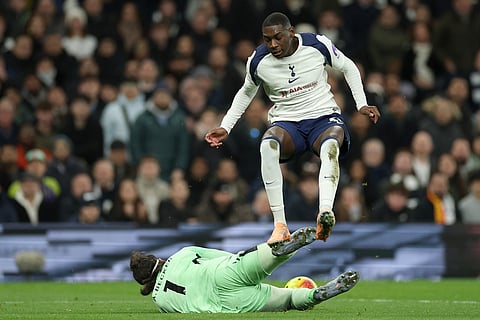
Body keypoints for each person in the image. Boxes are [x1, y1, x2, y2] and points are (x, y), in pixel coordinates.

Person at [205, 12, 380, 244]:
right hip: (287, 123)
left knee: (330, 146)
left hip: (323, 117)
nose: (273, 45)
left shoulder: (318, 44)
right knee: (267, 145)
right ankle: (280, 225)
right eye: (267, 40)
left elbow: (348, 67)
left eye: (278, 38)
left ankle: (325, 212)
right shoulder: (258, 61)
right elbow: (246, 92)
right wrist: (226, 126)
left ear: (291, 32)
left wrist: (361, 103)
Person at [130, 226, 359, 313]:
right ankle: (280, 251)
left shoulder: (160, 301)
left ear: (144, 283)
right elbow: (222, 256)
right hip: (222, 274)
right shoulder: (182, 254)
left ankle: (313, 295)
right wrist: (244, 267)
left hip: (227, 305)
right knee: (268, 256)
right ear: (156, 258)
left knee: (288, 299)